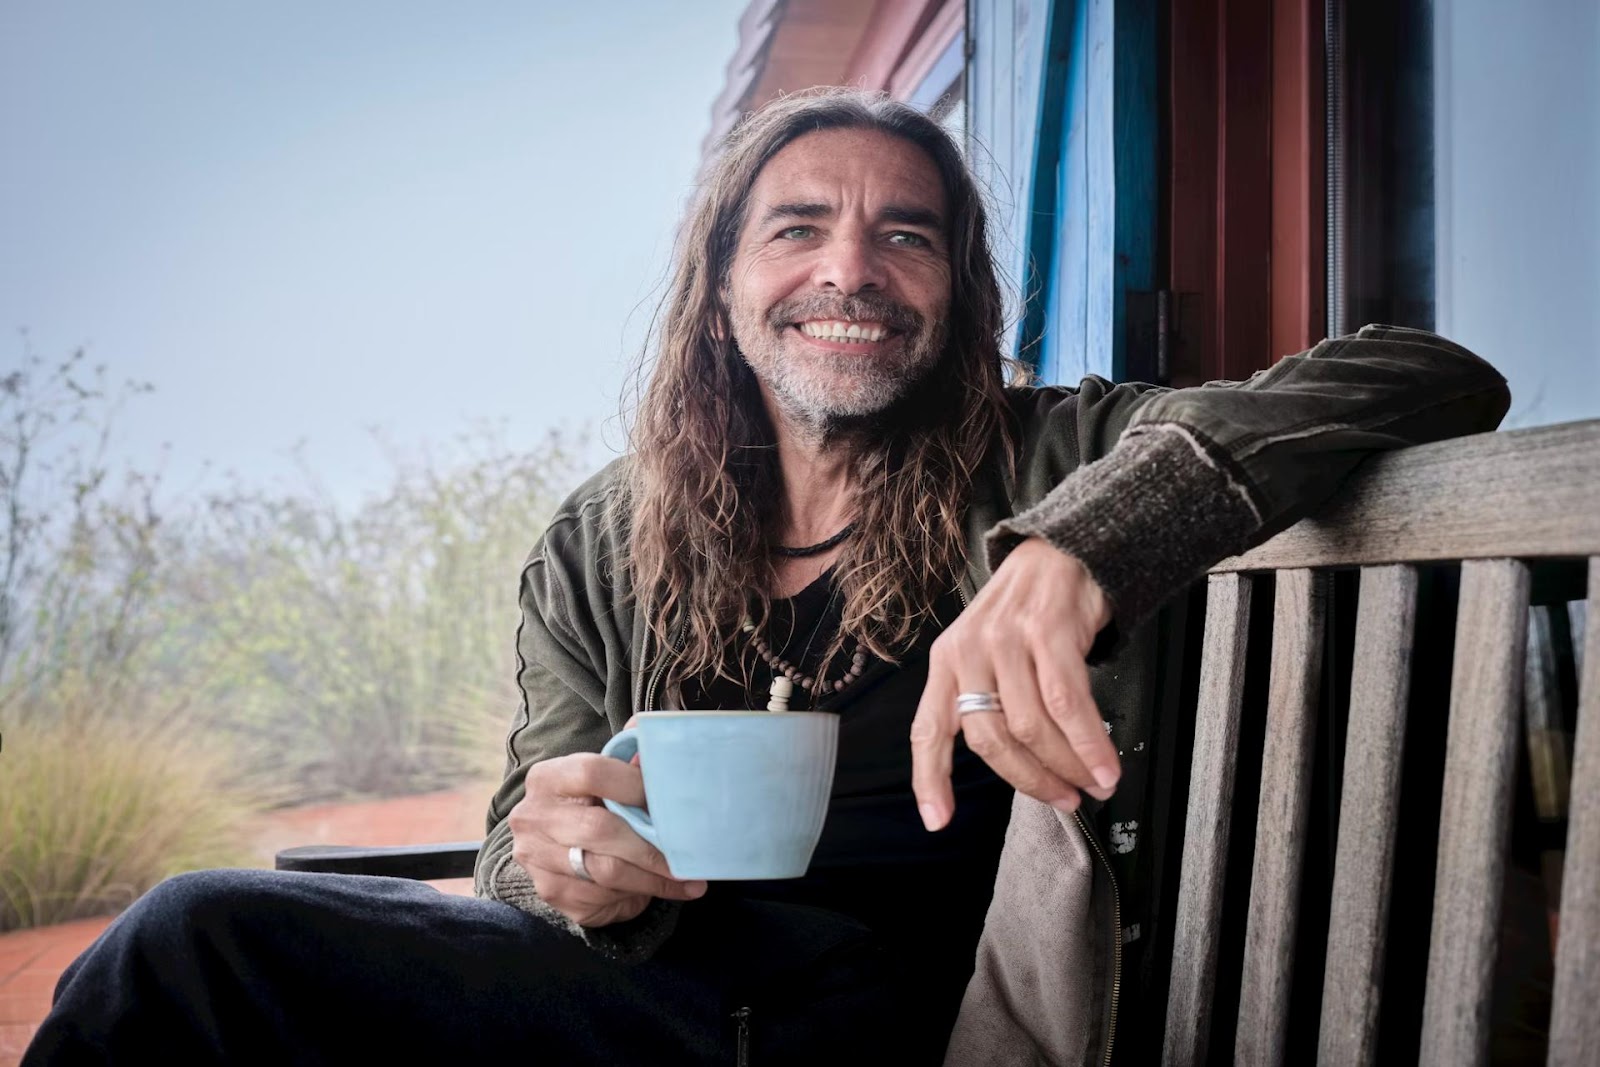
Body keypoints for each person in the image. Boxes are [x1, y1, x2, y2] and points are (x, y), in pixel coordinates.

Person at [24, 88, 1508, 1066]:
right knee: (196, 951)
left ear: (956, 288)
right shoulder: (605, 540)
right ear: (725, 287)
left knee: (192, 950)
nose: (849, 270)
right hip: (653, 998)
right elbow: (515, 845)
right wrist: (554, 869)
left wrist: (1082, 544)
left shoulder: (1061, 451)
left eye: (903, 235)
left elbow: (1428, 370)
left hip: (915, 1017)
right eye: (798, 228)